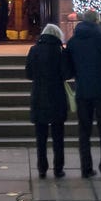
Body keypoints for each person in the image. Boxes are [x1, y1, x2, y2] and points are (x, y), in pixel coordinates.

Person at [66, 8, 101, 179]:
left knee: (84, 132)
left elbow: (68, 68)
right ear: (97, 20)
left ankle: (86, 168)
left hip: (83, 90)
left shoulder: (73, 41)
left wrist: (78, 76)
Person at [25, 22, 72, 179]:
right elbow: (66, 74)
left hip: (39, 96)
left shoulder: (34, 50)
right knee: (58, 136)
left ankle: (42, 169)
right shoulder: (60, 52)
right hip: (57, 97)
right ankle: (58, 169)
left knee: (41, 137)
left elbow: (29, 74)